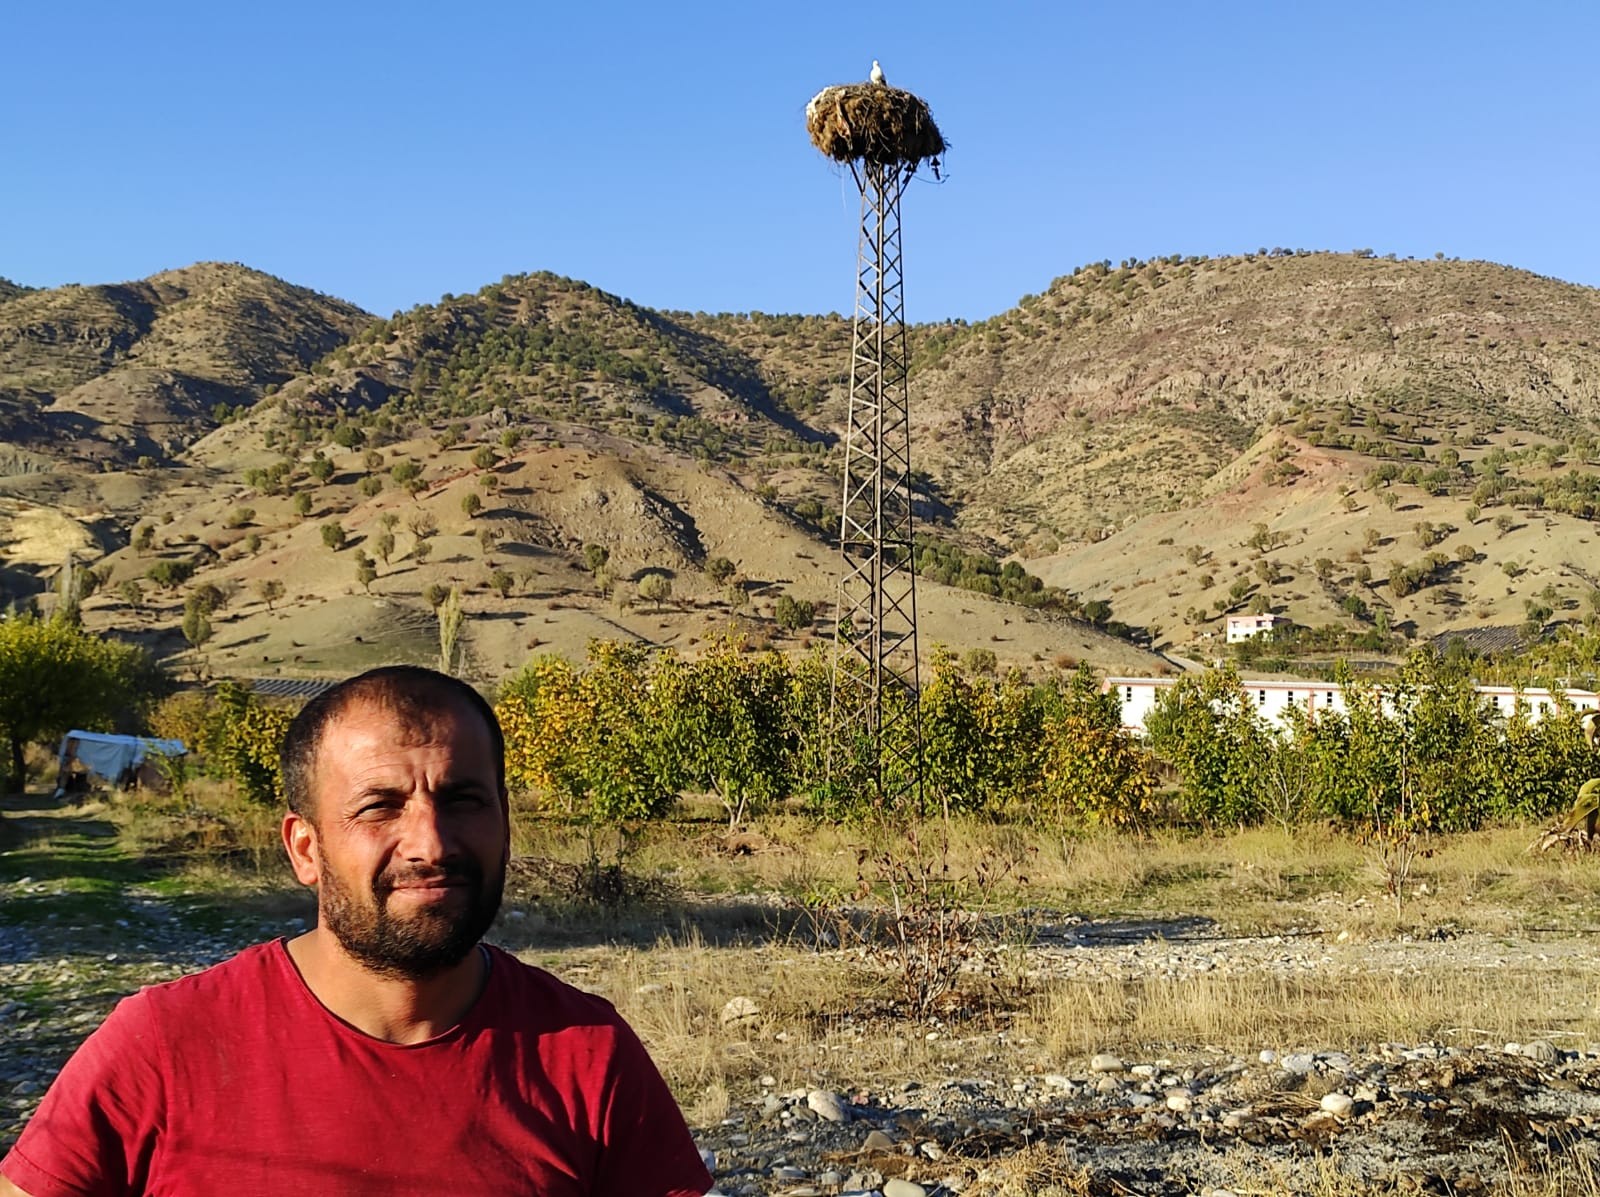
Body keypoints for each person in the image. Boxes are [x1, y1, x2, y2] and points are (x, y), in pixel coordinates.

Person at [0, 666, 713, 1197]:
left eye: (463, 799)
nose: (430, 843)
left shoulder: (587, 1054)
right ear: (304, 848)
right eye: (379, 806)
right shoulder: (161, 1046)